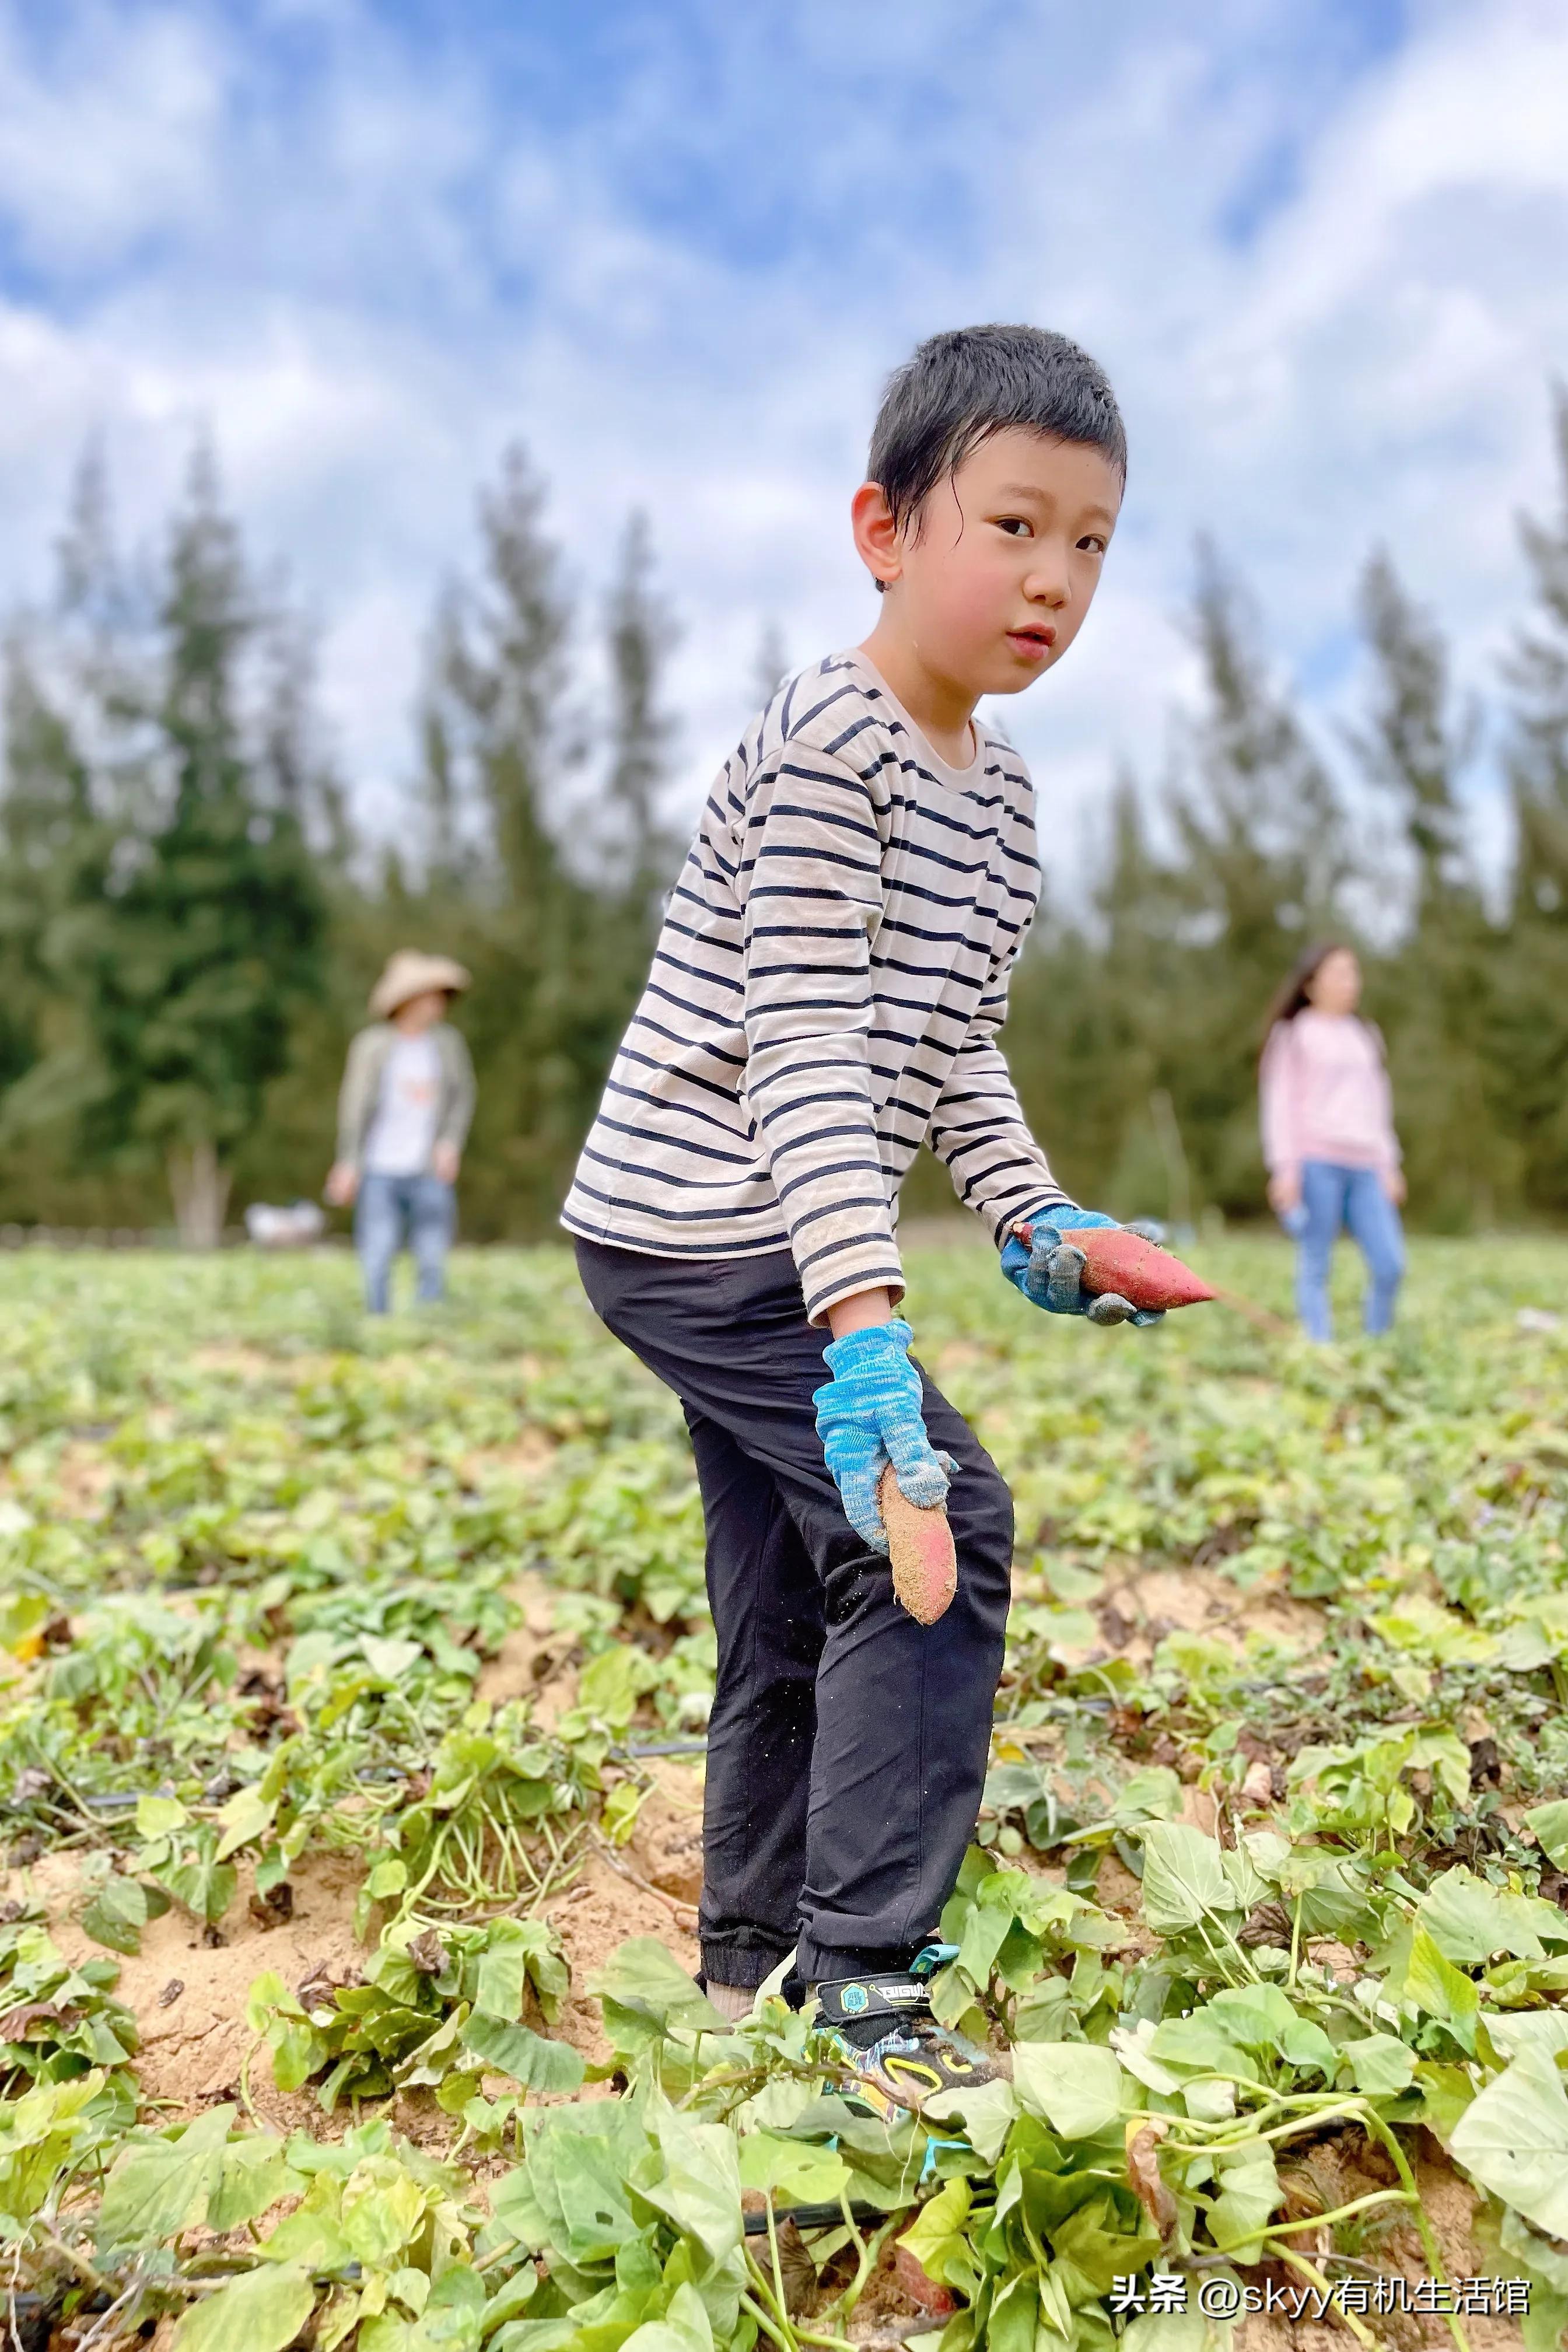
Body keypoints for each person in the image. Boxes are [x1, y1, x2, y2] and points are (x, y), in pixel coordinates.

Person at [562, 324, 1160, 2120]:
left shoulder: (1008, 805)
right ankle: (863, 1978)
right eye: (1011, 526)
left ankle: (749, 1954)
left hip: (768, 1220)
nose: (1050, 580)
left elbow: (943, 1046)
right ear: (883, 529)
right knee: (932, 1521)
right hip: (696, 1218)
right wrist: (862, 1324)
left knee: (800, 1588)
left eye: (1090, 545)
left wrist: (1034, 1214)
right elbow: (808, 1043)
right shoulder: (835, 735)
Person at [1259, 942, 1406, 1343]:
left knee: (1391, 1264)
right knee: (1316, 1264)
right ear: (1311, 984)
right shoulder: (1293, 1034)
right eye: (1340, 973)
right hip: (1316, 1163)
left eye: (1354, 973)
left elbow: (1379, 1104)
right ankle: (1320, 1350)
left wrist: (1390, 1164)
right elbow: (1279, 1107)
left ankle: (1376, 1346)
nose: (1351, 982)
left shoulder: (1366, 1034)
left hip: (1367, 1167)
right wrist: (1285, 1170)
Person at [326, 951, 477, 1314]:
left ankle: (427, 1331)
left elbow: (463, 1096)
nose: (439, 1003)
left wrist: (450, 1144)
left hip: (429, 1169)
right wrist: (347, 1162)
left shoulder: (447, 1044)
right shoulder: (372, 1045)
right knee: (377, 1254)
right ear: (408, 1000)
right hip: (379, 1167)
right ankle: (378, 1327)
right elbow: (354, 1106)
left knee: (432, 1255)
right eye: (431, 995)